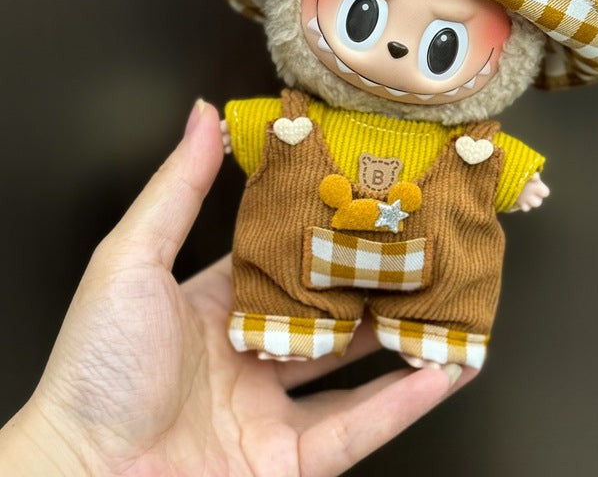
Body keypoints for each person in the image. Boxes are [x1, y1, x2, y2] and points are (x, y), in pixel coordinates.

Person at [0, 100, 470, 476]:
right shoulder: (288, 119)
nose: (397, 48)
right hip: (290, 278)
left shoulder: (467, 147)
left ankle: (423, 326)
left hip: (402, 277)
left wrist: (70, 450)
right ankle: (287, 322)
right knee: (281, 276)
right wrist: (76, 445)